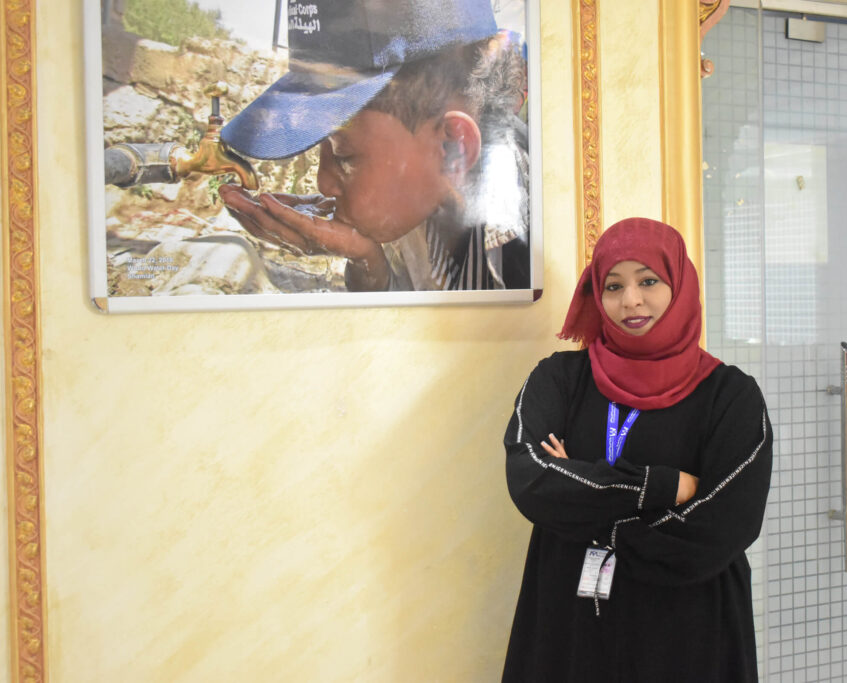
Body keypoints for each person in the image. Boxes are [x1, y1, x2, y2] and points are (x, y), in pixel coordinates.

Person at [502, 217, 772, 682]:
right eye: (612, 286)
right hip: (572, 619)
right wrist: (661, 486)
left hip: (688, 624)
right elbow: (531, 478)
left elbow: (725, 524)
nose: (630, 300)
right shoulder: (561, 379)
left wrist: (586, 500)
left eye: (649, 281)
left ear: (679, 285)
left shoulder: (729, 394)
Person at [217, 0, 530, 292]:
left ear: (452, 149)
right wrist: (367, 262)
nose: (323, 183)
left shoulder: (534, 255)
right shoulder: (416, 195)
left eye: (344, 157)